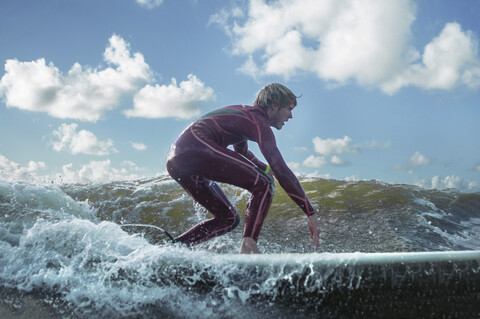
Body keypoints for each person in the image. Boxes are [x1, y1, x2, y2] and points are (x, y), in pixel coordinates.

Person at [166, 83, 320, 254]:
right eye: (289, 109)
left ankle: (171, 251)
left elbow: (242, 151)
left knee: (228, 219)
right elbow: (281, 168)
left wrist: (265, 169)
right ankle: (249, 246)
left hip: (178, 160)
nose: (290, 116)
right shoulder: (258, 121)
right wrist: (310, 213)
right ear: (274, 105)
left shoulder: (244, 117)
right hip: (193, 147)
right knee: (264, 184)